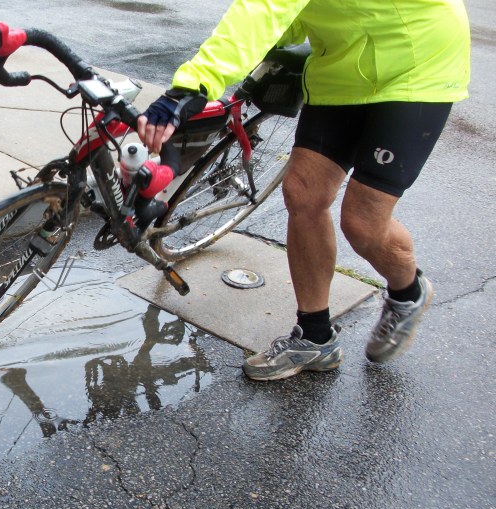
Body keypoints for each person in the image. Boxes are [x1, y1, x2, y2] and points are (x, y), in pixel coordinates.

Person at [137, 0, 471, 381]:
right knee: (302, 193)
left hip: (416, 68)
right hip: (341, 70)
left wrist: (192, 83)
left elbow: (266, 7)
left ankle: (407, 291)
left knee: (362, 222)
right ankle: (315, 338)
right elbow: (286, 16)